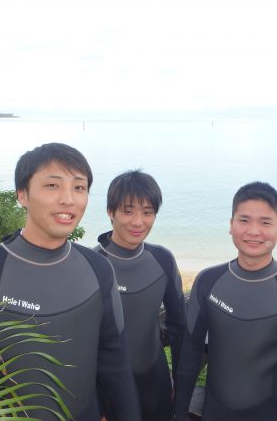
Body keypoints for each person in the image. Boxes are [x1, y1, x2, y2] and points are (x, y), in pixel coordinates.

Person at [0, 143, 141, 421]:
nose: (68, 199)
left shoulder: (98, 269)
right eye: (52, 185)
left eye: (79, 188)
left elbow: (115, 367)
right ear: (22, 194)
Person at [174, 181, 277, 421]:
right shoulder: (208, 282)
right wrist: (179, 414)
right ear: (231, 225)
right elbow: (190, 356)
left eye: (265, 222)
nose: (253, 231)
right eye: (244, 220)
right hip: (214, 413)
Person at [94, 170, 186, 421]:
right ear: (110, 212)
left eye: (147, 212)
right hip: (108, 393)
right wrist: (96, 406)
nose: (138, 222)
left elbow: (179, 327)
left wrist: (180, 382)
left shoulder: (162, 259)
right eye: (128, 211)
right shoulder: (93, 265)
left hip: (156, 384)